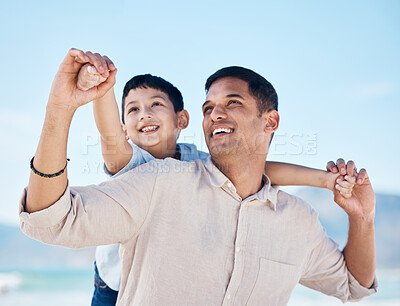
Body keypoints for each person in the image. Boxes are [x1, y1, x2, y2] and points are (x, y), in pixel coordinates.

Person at [20, 48, 377, 305]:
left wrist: (360, 216)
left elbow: (353, 287)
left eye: (232, 103)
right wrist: (63, 107)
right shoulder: (159, 180)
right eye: (209, 107)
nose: (215, 114)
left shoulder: (297, 221)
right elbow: (50, 218)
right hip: (109, 283)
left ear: (270, 122)